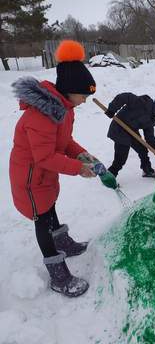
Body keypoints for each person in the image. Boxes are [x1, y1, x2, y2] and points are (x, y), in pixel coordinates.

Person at [9, 40, 116, 298]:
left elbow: (64, 142)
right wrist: (79, 168)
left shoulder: (64, 110)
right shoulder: (41, 115)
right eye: (83, 96)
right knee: (42, 219)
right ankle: (58, 275)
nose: (85, 101)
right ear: (69, 91)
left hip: (44, 176)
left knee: (50, 207)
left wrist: (82, 154)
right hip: (30, 179)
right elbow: (44, 156)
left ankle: (63, 242)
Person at [105, 92, 155, 178]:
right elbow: (124, 97)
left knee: (142, 149)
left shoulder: (152, 119)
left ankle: (147, 170)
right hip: (119, 128)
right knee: (121, 157)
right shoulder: (142, 102)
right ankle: (110, 176)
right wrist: (112, 109)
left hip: (131, 131)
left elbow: (150, 138)